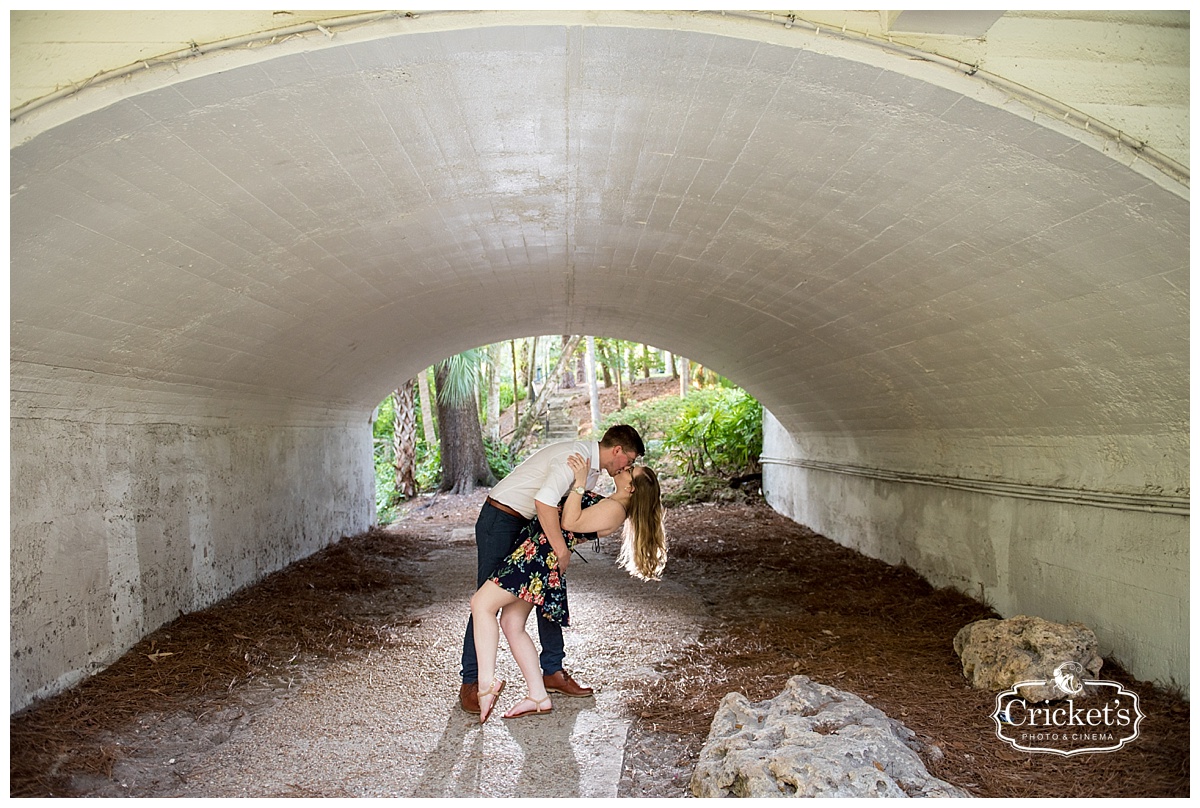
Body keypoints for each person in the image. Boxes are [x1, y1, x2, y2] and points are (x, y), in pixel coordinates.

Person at [458, 424, 646, 714]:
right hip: (503, 518)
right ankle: (472, 681)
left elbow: (571, 518)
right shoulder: (577, 460)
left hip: (534, 538)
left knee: (516, 608)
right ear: (617, 451)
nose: (628, 466)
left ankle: (549, 674)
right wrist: (560, 548)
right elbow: (545, 503)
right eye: (629, 461)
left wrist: (559, 546)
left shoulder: (593, 475)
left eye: (631, 467)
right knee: (488, 602)